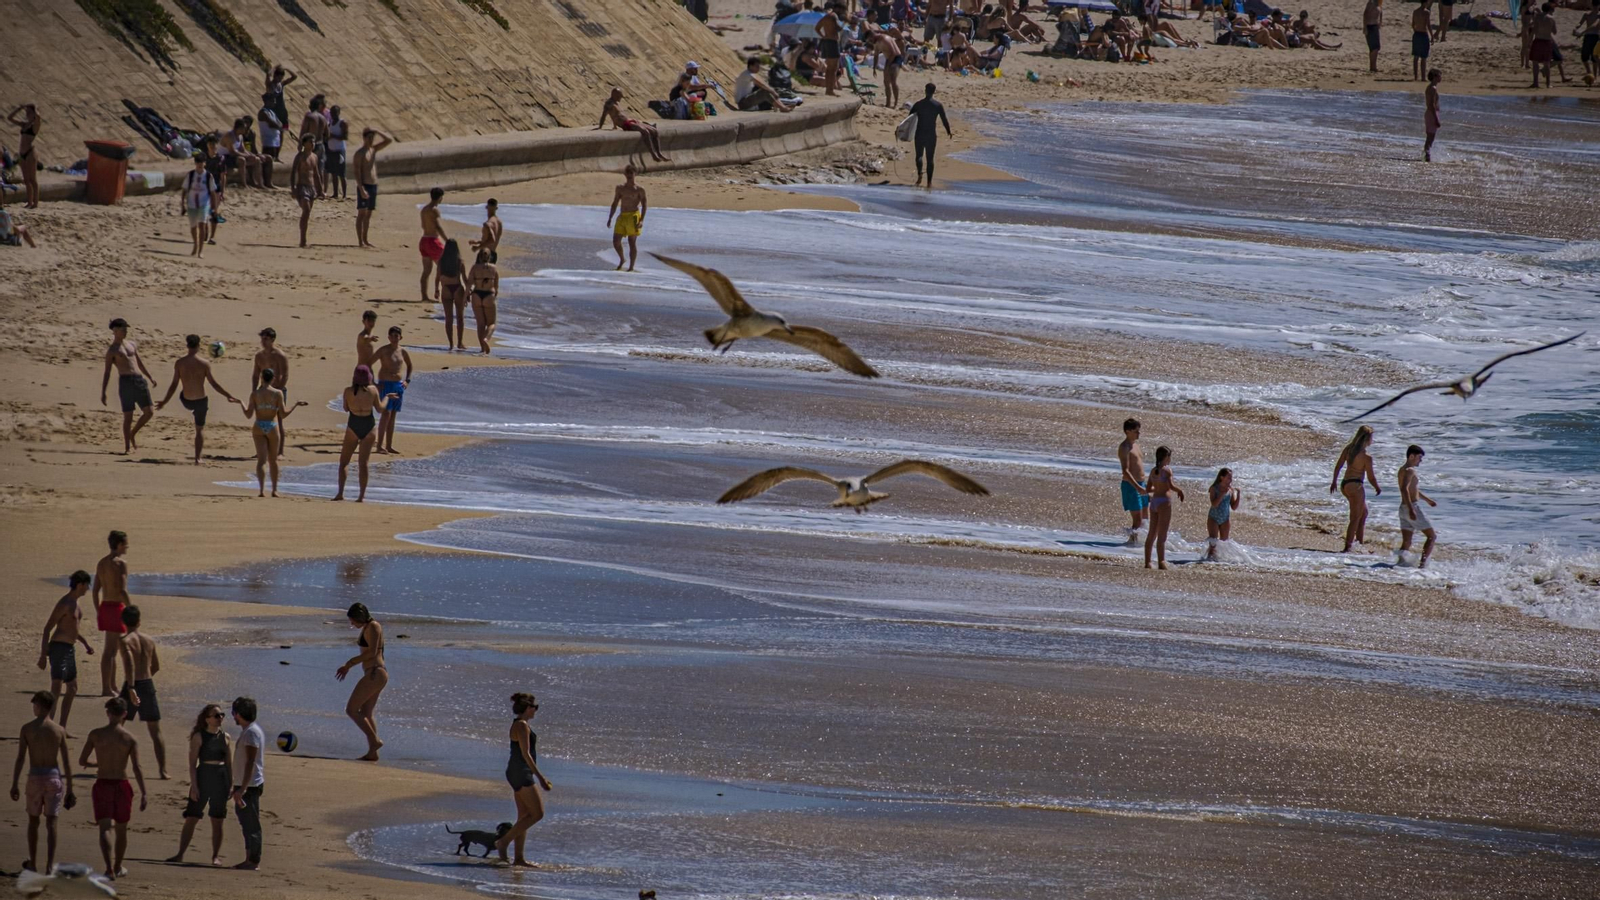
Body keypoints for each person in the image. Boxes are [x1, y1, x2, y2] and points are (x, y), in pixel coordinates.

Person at [79, 697, 148, 881]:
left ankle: (109, 867)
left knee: (104, 828)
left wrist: (98, 763)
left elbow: (82, 761)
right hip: (121, 784)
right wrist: (144, 792)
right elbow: (136, 767)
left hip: (103, 783)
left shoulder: (95, 734)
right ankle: (118, 866)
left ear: (107, 713)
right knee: (122, 829)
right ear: (125, 714)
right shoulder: (129, 738)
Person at [9, 691, 74, 875]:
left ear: (39, 706)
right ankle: (50, 866)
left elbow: (21, 758)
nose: (33, 708)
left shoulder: (27, 728)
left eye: (34, 704)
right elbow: (67, 762)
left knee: (33, 821)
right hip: (53, 777)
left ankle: (33, 863)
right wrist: (70, 788)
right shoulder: (59, 730)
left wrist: (14, 782)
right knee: (52, 823)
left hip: (35, 777)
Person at [156, 334, 242, 464]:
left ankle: (193, 410)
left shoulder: (180, 363)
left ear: (187, 345)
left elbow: (174, 384)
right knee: (199, 429)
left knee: (185, 395)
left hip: (186, 400)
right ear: (199, 346)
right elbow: (214, 384)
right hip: (201, 400)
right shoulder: (204, 363)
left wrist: (164, 401)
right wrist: (228, 395)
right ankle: (198, 458)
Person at [166, 704, 232, 866]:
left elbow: (229, 764)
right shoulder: (199, 736)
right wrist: (194, 786)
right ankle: (180, 853)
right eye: (216, 715)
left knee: (218, 819)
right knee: (192, 817)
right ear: (207, 719)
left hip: (220, 778)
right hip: (203, 776)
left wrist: (230, 785)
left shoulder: (226, 737)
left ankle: (215, 856)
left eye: (221, 715)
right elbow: (192, 764)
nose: (220, 718)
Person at [494, 692, 552, 867]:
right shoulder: (521, 725)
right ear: (528, 708)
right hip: (521, 772)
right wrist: (540, 777)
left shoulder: (520, 724)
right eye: (535, 707)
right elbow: (526, 754)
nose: (536, 710)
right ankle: (503, 842)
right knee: (537, 814)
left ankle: (519, 858)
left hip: (517, 771)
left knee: (524, 816)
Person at [39, 571, 95, 730]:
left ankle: (62, 727)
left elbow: (73, 630)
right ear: (80, 585)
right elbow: (47, 628)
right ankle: (47, 724)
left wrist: (85, 644)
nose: (88, 589)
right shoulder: (64, 603)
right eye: (87, 585)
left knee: (72, 688)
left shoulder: (77, 605)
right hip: (58, 648)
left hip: (69, 649)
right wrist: (43, 655)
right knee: (56, 687)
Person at [116, 606, 166, 780]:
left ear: (123, 622)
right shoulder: (149, 640)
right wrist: (146, 682)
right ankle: (162, 770)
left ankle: (112, 763)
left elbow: (129, 664)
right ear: (139, 621)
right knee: (155, 731)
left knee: (117, 726)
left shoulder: (124, 640)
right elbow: (156, 667)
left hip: (132, 684)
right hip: (147, 684)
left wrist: (130, 688)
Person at [241, 369, 306, 497]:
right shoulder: (278, 393)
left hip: (259, 425)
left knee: (261, 461)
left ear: (261, 378)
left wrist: (241, 403)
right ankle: (274, 490)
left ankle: (261, 490)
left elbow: (248, 414)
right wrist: (295, 405)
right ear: (273, 379)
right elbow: (283, 414)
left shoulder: (255, 394)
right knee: (273, 460)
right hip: (272, 425)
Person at [336, 603, 388, 760]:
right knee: (366, 713)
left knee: (351, 709)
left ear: (359, 617)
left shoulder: (373, 626)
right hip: (375, 674)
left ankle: (374, 741)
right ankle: (373, 753)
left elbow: (372, 652)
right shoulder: (367, 627)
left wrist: (349, 664)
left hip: (375, 673)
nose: (352, 624)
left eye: (353, 621)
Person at [101, 318, 158, 454]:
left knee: (149, 412)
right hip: (125, 382)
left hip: (139, 380)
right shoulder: (112, 351)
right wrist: (103, 392)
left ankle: (133, 433)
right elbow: (107, 372)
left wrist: (150, 377)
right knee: (128, 416)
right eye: (123, 329)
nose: (125, 331)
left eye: (126, 329)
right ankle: (127, 447)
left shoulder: (131, 344)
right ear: (115, 331)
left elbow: (139, 362)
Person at [334, 366, 387, 502]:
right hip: (368, 426)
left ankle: (340, 493)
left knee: (344, 462)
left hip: (353, 425)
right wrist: (387, 397)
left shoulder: (348, 391)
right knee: (363, 463)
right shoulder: (373, 391)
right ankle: (361, 496)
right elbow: (380, 409)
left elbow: (346, 409)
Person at [1329, 425, 1381, 553]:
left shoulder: (1349, 450)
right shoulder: (1366, 457)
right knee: (1355, 518)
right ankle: (1348, 547)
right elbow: (1371, 477)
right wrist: (1377, 487)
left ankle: (1360, 545)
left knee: (1363, 514)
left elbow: (1338, 466)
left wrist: (1334, 481)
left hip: (1345, 484)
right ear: (1367, 438)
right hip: (1356, 486)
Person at [93, 531, 132, 698]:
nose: (127, 547)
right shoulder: (120, 564)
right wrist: (131, 609)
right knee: (110, 650)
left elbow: (95, 591)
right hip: (116, 607)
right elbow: (122, 590)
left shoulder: (101, 563)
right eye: (125, 544)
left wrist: (98, 610)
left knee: (112, 650)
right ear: (119, 545)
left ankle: (112, 685)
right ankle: (105, 688)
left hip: (105, 606)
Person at [230, 697, 265, 871]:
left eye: (234, 713)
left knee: (251, 824)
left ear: (239, 714)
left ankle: (253, 860)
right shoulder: (248, 731)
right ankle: (249, 858)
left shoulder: (251, 732)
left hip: (249, 786)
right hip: (244, 784)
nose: (233, 716)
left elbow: (251, 761)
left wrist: (242, 789)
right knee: (246, 823)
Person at [596, 88, 669, 162]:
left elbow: (615, 115)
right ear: (614, 95)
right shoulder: (609, 104)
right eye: (619, 96)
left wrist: (614, 125)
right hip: (626, 124)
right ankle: (653, 155)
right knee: (645, 132)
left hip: (631, 121)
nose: (620, 98)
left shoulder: (616, 102)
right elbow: (604, 115)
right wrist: (600, 127)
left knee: (654, 131)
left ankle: (659, 153)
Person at [252, 327, 292, 456]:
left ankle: (280, 452)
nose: (263, 342)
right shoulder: (259, 356)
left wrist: (277, 390)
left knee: (278, 420)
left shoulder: (279, 355)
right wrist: (254, 392)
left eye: (266, 339)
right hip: (262, 391)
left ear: (273, 340)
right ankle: (262, 450)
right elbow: (255, 375)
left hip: (277, 391)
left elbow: (285, 375)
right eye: (262, 339)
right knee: (261, 419)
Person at [1397, 444, 1438, 567]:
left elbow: (1413, 490)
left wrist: (1427, 500)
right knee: (1432, 536)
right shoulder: (1410, 470)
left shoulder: (1402, 469)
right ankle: (1422, 565)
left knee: (1407, 541)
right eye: (1419, 457)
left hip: (1403, 508)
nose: (1421, 460)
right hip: (1411, 506)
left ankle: (1401, 563)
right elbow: (1404, 489)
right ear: (1411, 456)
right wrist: (1411, 509)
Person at [1143, 446, 1183, 570]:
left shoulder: (1153, 471)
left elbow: (1148, 489)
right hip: (1164, 502)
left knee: (1151, 533)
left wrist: (1158, 487)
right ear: (1166, 457)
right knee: (1162, 535)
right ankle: (1161, 561)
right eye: (1169, 456)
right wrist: (1180, 490)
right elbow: (1170, 485)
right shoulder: (1167, 470)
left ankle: (1148, 562)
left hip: (1154, 501)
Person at [374, 326, 413, 455]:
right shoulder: (383, 350)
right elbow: (368, 364)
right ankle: (379, 445)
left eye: (397, 336)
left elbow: (410, 365)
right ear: (389, 337)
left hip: (398, 386)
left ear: (400, 337)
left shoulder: (403, 351)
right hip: (385, 385)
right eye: (392, 336)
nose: (395, 338)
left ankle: (389, 446)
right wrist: (373, 383)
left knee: (393, 416)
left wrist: (407, 380)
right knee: (386, 415)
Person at [352, 128, 393, 248]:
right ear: (364, 138)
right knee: (361, 214)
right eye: (369, 138)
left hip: (373, 184)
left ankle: (365, 239)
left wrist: (377, 130)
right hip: (364, 185)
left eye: (372, 138)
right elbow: (357, 172)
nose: (371, 140)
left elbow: (389, 140)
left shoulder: (373, 150)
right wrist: (361, 188)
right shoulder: (359, 154)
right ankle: (360, 241)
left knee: (369, 214)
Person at [908, 83, 953, 188]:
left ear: (925, 90)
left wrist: (902, 131)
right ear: (934, 92)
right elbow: (944, 119)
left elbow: (909, 119)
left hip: (919, 133)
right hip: (931, 135)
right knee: (930, 158)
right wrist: (948, 131)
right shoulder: (937, 105)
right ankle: (929, 182)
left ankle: (919, 175)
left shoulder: (918, 104)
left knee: (919, 156)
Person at [606, 164, 648, 272]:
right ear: (625, 174)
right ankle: (622, 259)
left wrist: (642, 220)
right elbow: (615, 203)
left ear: (635, 174)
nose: (629, 175)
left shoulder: (639, 189)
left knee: (631, 242)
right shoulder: (620, 188)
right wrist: (610, 217)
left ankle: (631, 267)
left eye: (631, 173)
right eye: (628, 173)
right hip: (622, 216)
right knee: (616, 241)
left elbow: (644, 205)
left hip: (633, 216)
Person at [177, 153, 220, 256]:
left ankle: (200, 251)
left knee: (202, 226)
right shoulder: (191, 175)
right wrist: (182, 204)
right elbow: (184, 190)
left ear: (205, 163)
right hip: (191, 204)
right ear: (195, 163)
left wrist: (214, 208)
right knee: (193, 227)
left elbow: (213, 192)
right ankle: (195, 244)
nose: (200, 165)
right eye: (198, 162)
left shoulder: (208, 176)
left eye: (202, 162)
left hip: (204, 204)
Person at [436, 239, 470, 351]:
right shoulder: (459, 261)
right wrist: (468, 292)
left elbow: (437, 277)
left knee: (448, 318)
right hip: (457, 288)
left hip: (445, 289)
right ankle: (460, 342)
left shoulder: (441, 261)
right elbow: (464, 279)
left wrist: (436, 289)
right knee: (460, 318)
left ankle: (451, 344)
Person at [1117, 418, 1148, 542]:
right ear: (1128, 431)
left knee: (1145, 517)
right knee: (1137, 518)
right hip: (1131, 485)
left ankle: (1142, 542)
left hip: (1142, 483)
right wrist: (1138, 487)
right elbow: (1125, 471)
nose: (1138, 433)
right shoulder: (1124, 447)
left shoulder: (1136, 445)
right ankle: (1132, 543)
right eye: (1136, 431)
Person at [289, 134, 322, 249]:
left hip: (311, 187)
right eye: (310, 142)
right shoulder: (300, 157)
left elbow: (316, 174)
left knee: (307, 214)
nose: (312, 144)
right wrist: (293, 188)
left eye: (313, 142)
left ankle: (304, 238)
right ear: (304, 144)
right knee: (306, 210)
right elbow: (293, 172)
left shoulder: (314, 157)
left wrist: (320, 189)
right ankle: (302, 240)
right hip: (302, 187)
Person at [1204, 468, 1241, 561]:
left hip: (1225, 518)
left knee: (1224, 543)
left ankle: (1220, 560)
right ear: (1222, 477)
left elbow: (1234, 507)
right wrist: (1222, 494)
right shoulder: (1214, 488)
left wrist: (1238, 495)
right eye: (1228, 477)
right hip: (1213, 517)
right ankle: (1208, 560)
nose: (1230, 480)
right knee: (1213, 543)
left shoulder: (1230, 491)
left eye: (1231, 478)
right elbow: (1214, 504)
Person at [8, 103, 40, 209]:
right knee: (26, 180)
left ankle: (35, 203)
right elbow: (10, 118)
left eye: (29, 112)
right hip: (22, 153)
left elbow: (38, 117)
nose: (27, 114)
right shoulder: (24, 124)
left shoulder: (35, 125)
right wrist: (19, 108)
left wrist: (35, 109)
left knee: (33, 180)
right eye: (27, 112)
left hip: (30, 152)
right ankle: (29, 202)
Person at [419, 187, 448, 301]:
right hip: (433, 241)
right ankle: (442, 293)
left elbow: (423, 226)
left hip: (424, 240)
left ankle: (424, 296)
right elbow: (438, 226)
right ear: (440, 197)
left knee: (426, 271)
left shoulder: (424, 209)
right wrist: (447, 240)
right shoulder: (434, 210)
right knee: (443, 268)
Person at [468, 248, 500, 354]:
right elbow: (496, 287)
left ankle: (482, 348)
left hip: (477, 295)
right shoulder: (493, 268)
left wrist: (465, 297)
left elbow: (469, 284)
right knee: (491, 323)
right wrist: (494, 297)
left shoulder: (474, 268)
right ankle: (486, 339)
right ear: (489, 257)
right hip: (488, 295)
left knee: (480, 324)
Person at [867, 28, 904, 108]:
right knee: (886, 82)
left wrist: (888, 66)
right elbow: (876, 55)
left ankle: (895, 103)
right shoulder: (876, 42)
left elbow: (894, 53)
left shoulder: (885, 39)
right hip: (888, 58)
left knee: (893, 81)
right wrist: (874, 68)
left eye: (870, 40)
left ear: (872, 36)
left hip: (896, 58)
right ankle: (888, 103)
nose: (870, 42)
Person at [265, 66, 297, 155]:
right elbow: (268, 74)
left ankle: (277, 155)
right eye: (278, 77)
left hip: (282, 111)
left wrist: (287, 69)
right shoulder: (269, 85)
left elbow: (294, 77)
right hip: (272, 112)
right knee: (273, 133)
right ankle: (271, 153)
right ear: (275, 76)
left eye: (281, 77)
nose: (280, 79)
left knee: (281, 133)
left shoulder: (281, 85)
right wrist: (274, 68)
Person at [1529, 4, 1562, 88]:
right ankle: (1548, 83)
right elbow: (1554, 32)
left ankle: (1536, 83)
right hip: (1547, 41)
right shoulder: (1551, 19)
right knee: (1546, 63)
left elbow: (1534, 30)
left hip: (1538, 40)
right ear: (1549, 9)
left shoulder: (1537, 17)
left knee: (1535, 62)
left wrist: (1529, 41)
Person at [299, 94, 330, 172]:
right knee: (320, 170)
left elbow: (303, 131)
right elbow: (327, 134)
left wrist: (300, 144)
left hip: (311, 145)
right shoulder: (323, 118)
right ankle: (320, 184)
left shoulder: (309, 117)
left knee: (309, 169)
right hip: (321, 145)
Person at [819, 3, 844, 95]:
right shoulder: (834, 16)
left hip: (826, 41)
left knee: (829, 68)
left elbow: (817, 28)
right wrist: (845, 22)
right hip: (833, 42)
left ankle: (828, 89)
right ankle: (830, 90)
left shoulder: (825, 17)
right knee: (834, 68)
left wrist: (823, 36)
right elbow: (838, 28)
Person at [325, 105, 349, 199]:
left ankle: (344, 194)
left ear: (339, 112)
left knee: (341, 173)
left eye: (335, 112)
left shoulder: (342, 123)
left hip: (339, 150)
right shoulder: (330, 124)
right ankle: (335, 193)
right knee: (333, 173)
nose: (333, 114)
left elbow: (345, 137)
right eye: (332, 113)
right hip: (331, 150)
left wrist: (333, 136)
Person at [470, 197, 503, 263]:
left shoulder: (488, 224)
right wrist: (478, 242)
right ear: (496, 208)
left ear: (486, 207)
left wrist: (477, 248)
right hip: (493, 254)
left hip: (484, 255)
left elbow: (492, 240)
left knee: (477, 273)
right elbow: (492, 239)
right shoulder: (499, 223)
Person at [257, 92, 284, 164]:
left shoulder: (272, 112)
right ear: (267, 101)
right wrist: (279, 126)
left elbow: (280, 124)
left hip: (275, 140)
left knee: (273, 160)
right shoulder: (263, 112)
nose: (274, 102)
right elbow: (273, 124)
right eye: (272, 100)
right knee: (267, 162)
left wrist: (279, 126)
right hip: (268, 141)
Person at [1424, 68, 1443, 162]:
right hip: (1432, 113)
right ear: (1435, 77)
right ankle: (1426, 154)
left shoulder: (1430, 87)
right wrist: (1436, 119)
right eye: (1439, 75)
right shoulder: (1433, 89)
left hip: (1430, 113)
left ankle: (1426, 154)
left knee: (1430, 136)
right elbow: (1432, 105)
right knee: (1431, 137)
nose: (1441, 77)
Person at [1412, 0, 1433, 81]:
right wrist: (1432, 36)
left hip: (1417, 34)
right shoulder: (1426, 12)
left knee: (1416, 57)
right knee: (1423, 57)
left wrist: (1416, 31)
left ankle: (1416, 76)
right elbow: (1428, 24)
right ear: (1425, 3)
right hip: (1423, 34)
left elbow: (1413, 25)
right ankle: (1423, 77)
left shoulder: (1415, 12)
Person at [1578, 6, 1600, 83]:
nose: (1595, 8)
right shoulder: (1587, 14)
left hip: (1595, 36)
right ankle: (1589, 73)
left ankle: (1595, 76)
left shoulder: (1599, 15)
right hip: (1588, 36)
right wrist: (1577, 27)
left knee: (1594, 57)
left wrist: (1582, 32)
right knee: (1584, 56)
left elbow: (1594, 25)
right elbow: (1580, 23)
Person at [1364, 0, 1383, 73]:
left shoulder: (1379, 3)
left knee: (1376, 47)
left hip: (1375, 26)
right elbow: (1365, 14)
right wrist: (1365, 27)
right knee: (1373, 47)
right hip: (1370, 26)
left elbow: (1380, 13)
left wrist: (1380, 22)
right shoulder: (1371, 3)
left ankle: (1373, 66)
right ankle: (1372, 66)